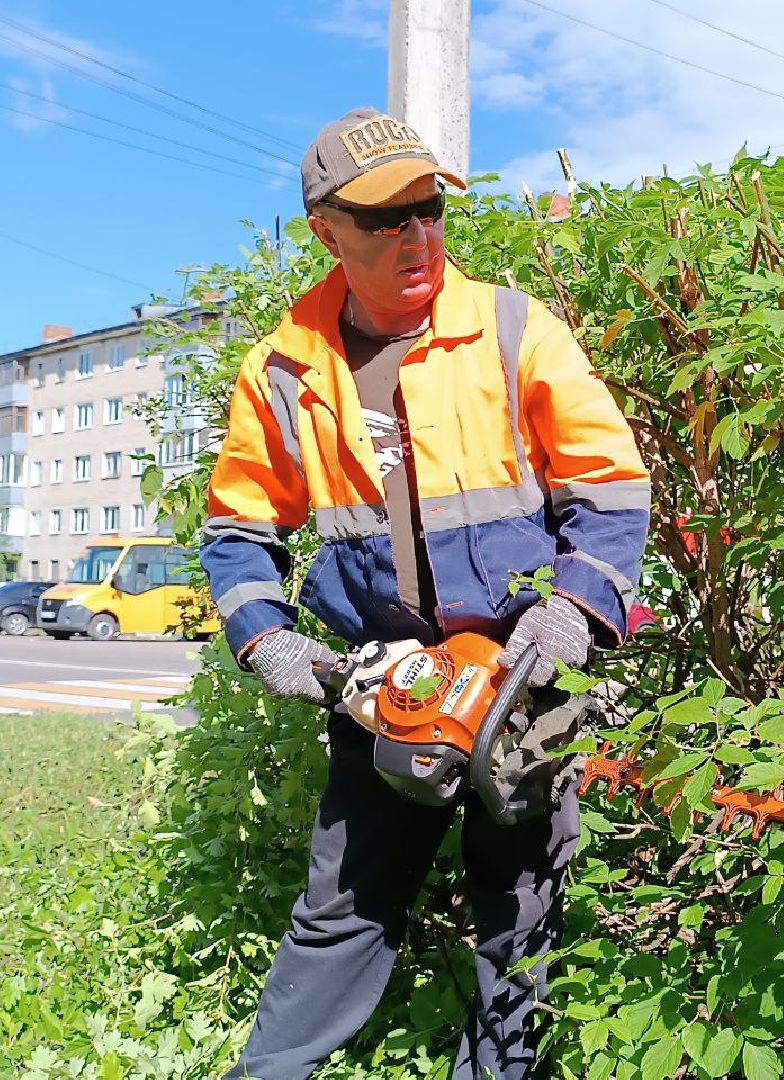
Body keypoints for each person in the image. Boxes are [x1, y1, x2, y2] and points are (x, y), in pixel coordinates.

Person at [199, 107, 650, 1079]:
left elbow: (612, 490)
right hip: (389, 691)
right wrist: (273, 644)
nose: (417, 236)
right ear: (327, 233)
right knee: (341, 919)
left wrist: (567, 612)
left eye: (430, 209)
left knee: (520, 929)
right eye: (386, 220)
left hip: (524, 690)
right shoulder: (282, 372)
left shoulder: (512, 328)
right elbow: (239, 532)